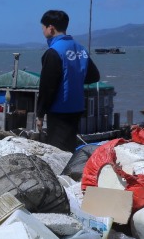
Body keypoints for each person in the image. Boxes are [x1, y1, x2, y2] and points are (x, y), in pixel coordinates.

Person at [36, 9, 100, 153]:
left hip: (60, 109)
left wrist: (40, 114)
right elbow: (94, 76)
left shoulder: (54, 52)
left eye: (43, 28)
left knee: (58, 151)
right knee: (70, 146)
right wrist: (74, 78)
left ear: (50, 28)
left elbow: (47, 87)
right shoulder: (81, 49)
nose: (42, 31)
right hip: (77, 107)